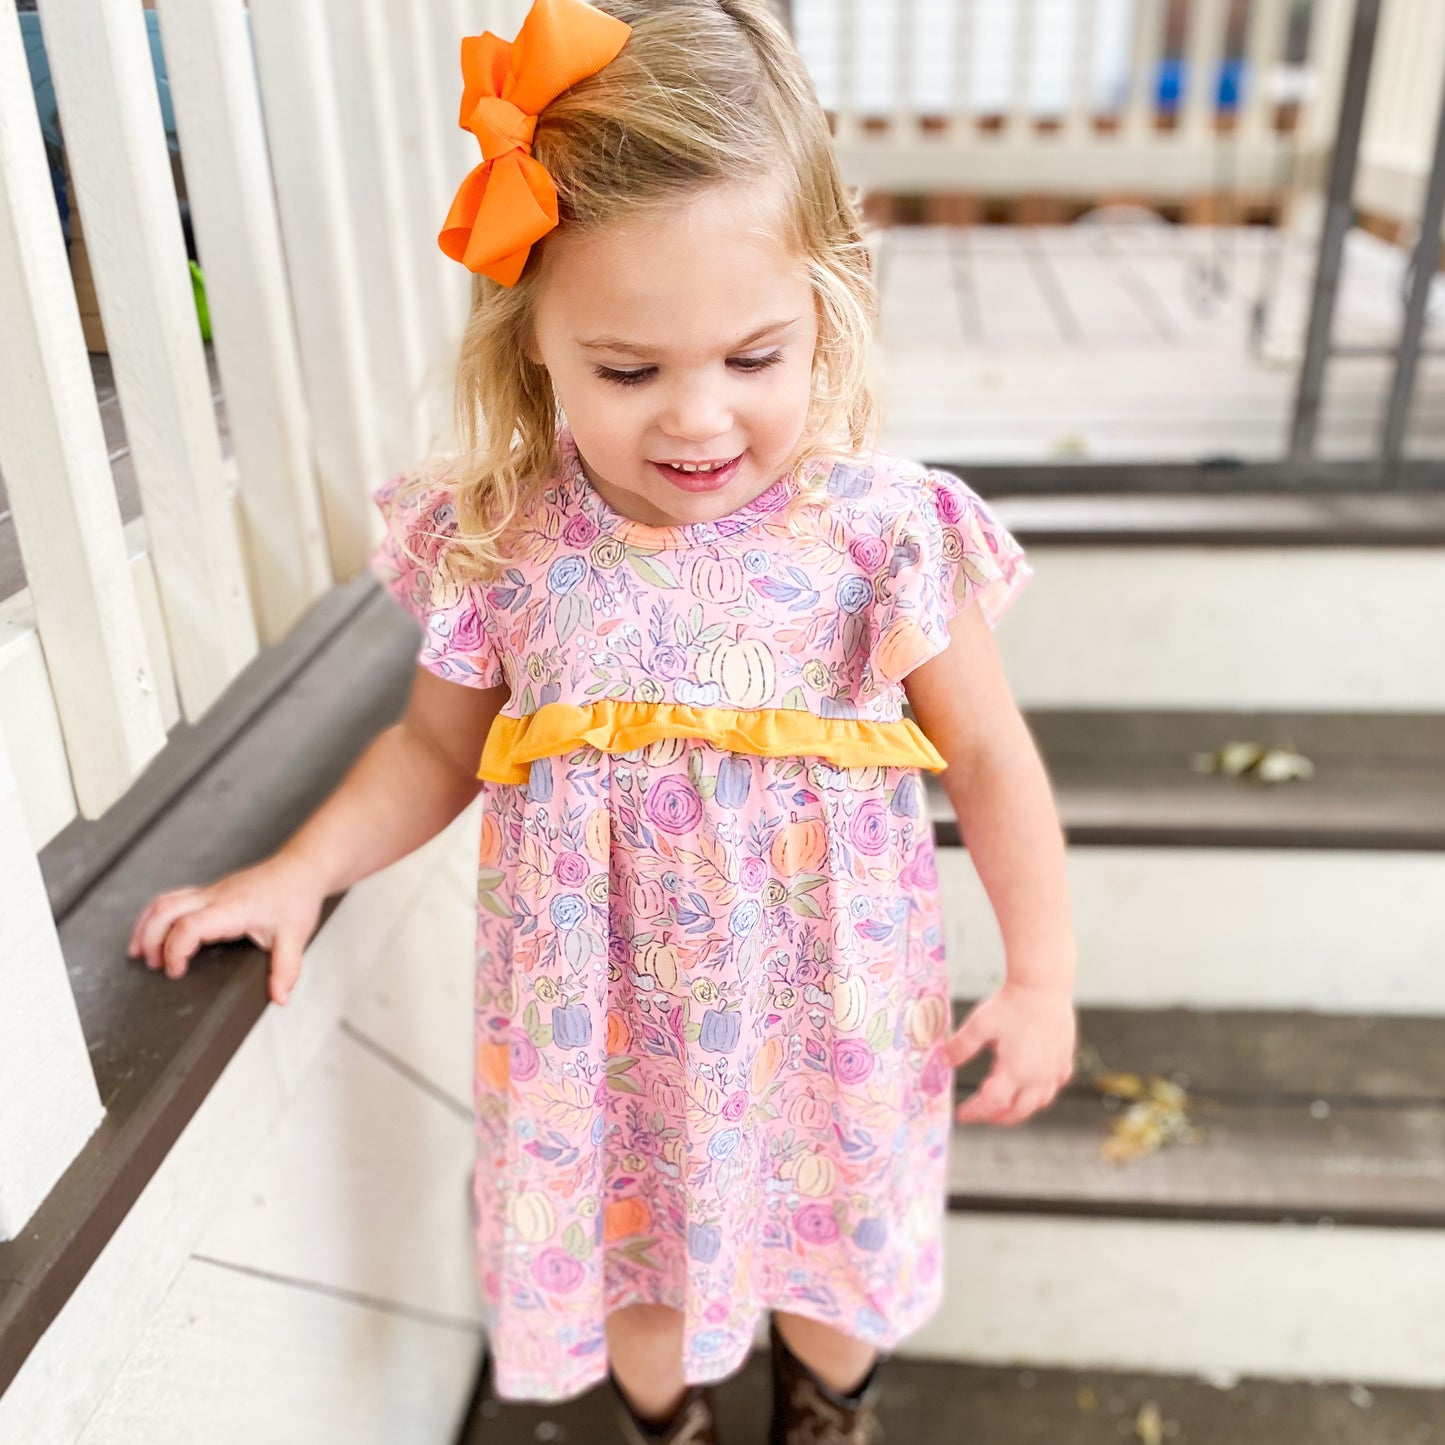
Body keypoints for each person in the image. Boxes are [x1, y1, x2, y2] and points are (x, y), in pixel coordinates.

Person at [126, 0, 1079, 1440]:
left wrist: (1042, 974)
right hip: (603, 1039)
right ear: (536, 350)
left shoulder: (877, 530)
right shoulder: (508, 539)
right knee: (639, 1280)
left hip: (829, 1019)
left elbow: (993, 758)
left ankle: (824, 1410)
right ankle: (668, 1428)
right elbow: (433, 752)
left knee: (825, 1262)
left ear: (822, 307)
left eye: (752, 358)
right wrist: (298, 869)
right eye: (629, 371)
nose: (696, 420)